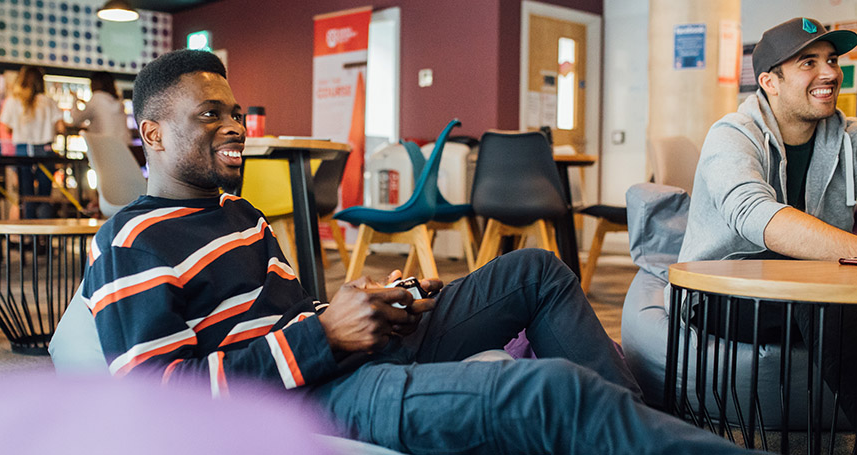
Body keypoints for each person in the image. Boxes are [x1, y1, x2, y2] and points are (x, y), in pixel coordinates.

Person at [81, 49, 763, 454]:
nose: (235, 126)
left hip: (346, 350)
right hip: (316, 395)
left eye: (236, 113)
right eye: (210, 115)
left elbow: (290, 314)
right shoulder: (129, 241)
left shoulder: (242, 214)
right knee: (549, 390)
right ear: (152, 133)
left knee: (536, 271)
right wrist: (323, 336)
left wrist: (377, 306)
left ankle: (629, 434)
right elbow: (155, 398)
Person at [679, 17, 857, 427]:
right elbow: (753, 213)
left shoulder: (848, 138)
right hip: (723, 290)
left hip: (810, 287)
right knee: (821, 299)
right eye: (808, 63)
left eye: (832, 59)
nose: (830, 72)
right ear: (769, 82)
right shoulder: (733, 134)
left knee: (819, 294)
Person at [0, 65, 63, 219]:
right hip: (45, 151)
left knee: (25, 195)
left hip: (22, 150)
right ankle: (44, 236)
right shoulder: (48, 102)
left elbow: (5, 128)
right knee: (44, 195)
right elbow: (61, 127)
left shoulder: (13, 101)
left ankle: (28, 237)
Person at [69, 71, 131, 145]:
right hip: (124, 149)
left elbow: (75, 120)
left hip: (105, 149)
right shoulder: (118, 101)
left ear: (95, 83)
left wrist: (74, 99)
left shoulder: (96, 98)